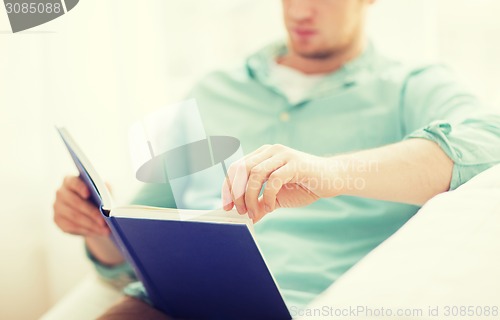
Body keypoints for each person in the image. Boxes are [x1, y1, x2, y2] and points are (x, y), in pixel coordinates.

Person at [53, 0, 500, 319]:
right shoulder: (214, 91)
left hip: (315, 304)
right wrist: (96, 227)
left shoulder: (412, 86)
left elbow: (489, 142)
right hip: (171, 304)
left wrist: (332, 173)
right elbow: (139, 241)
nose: (299, 12)